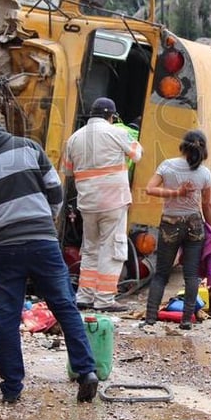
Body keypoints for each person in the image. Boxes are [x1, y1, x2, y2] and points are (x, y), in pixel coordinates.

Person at [0, 103, 99, 404]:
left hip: (3, 250)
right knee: (65, 306)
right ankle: (86, 372)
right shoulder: (29, 148)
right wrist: (45, 222)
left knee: (7, 318)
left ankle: (12, 388)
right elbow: (56, 192)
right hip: (43, 241)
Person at [64, 97, 143, 312]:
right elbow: (137, 155)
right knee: (112, 248)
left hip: (87, 203)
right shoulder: (117, 132)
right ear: (112, 116)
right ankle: (104, 300)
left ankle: (84, 296)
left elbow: (68, 171)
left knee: (90, 249)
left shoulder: (73, 138)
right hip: (113, 202)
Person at [143, 130, 211, 331]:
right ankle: (186, 320)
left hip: (170, 224)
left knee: (161, 274)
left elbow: (150, 189)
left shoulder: (167, 166)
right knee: (191, 275)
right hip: (194, 224)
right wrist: (210, 227)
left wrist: (175, 193)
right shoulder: (205, 173)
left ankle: (150, 318)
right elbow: (207, 205)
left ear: (182, 146)